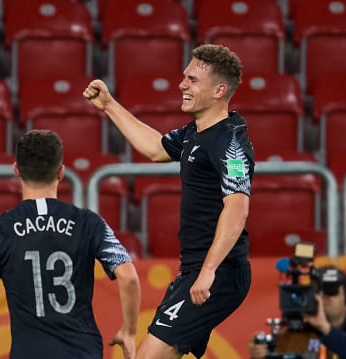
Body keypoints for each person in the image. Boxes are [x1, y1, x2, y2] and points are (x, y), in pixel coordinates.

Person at [83, 44, 254, 358]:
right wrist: (109, 105)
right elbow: (155, 148)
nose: (182, 85)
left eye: (192, 80)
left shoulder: (230, 143)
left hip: (220, 273)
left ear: (219, 90)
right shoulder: (196, 132)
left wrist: (208, 271)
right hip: (193, 269)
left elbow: (237, 209)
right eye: (184, 77)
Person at [0, 129, 141, 359]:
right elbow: (129, 277)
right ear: (61, 172)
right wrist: (129, 332)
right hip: (83, 352)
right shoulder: (88, 222)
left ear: (16, 169)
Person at [248, 265, 346, 359]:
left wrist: (325, 329)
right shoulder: (290, 336)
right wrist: (260, 356)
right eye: (318, 292)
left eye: (332, 291)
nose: (324, 297)